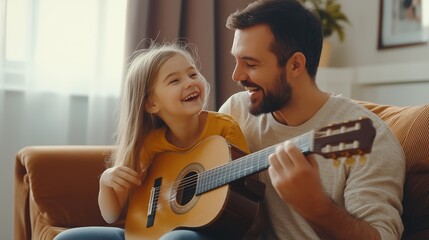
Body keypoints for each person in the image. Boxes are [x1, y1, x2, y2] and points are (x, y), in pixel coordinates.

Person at [218, 0, 405, 239]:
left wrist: (316, 207)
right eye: (236, 60)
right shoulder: (236, 111)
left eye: (251, 64)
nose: (237, 75)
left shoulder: (372, 138)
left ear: (295, 64)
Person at [54, 41, 250, 240]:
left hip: (207, 234)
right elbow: (111, 215)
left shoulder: (224, 129)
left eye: (192, 74)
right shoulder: (150, 145)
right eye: (174, 81)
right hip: (148, 234)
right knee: (67, 239)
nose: (190, 82)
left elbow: (246, 195)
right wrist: (106, 182)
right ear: (151, 103)